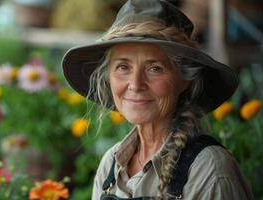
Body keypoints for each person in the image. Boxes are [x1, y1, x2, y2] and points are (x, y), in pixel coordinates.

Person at [61, 0, 255, 199]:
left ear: (185, 80)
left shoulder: (209, 170)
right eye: (123, 67)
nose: (135, 84)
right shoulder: (111, 163)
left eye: (155, 68)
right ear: (109, 77)